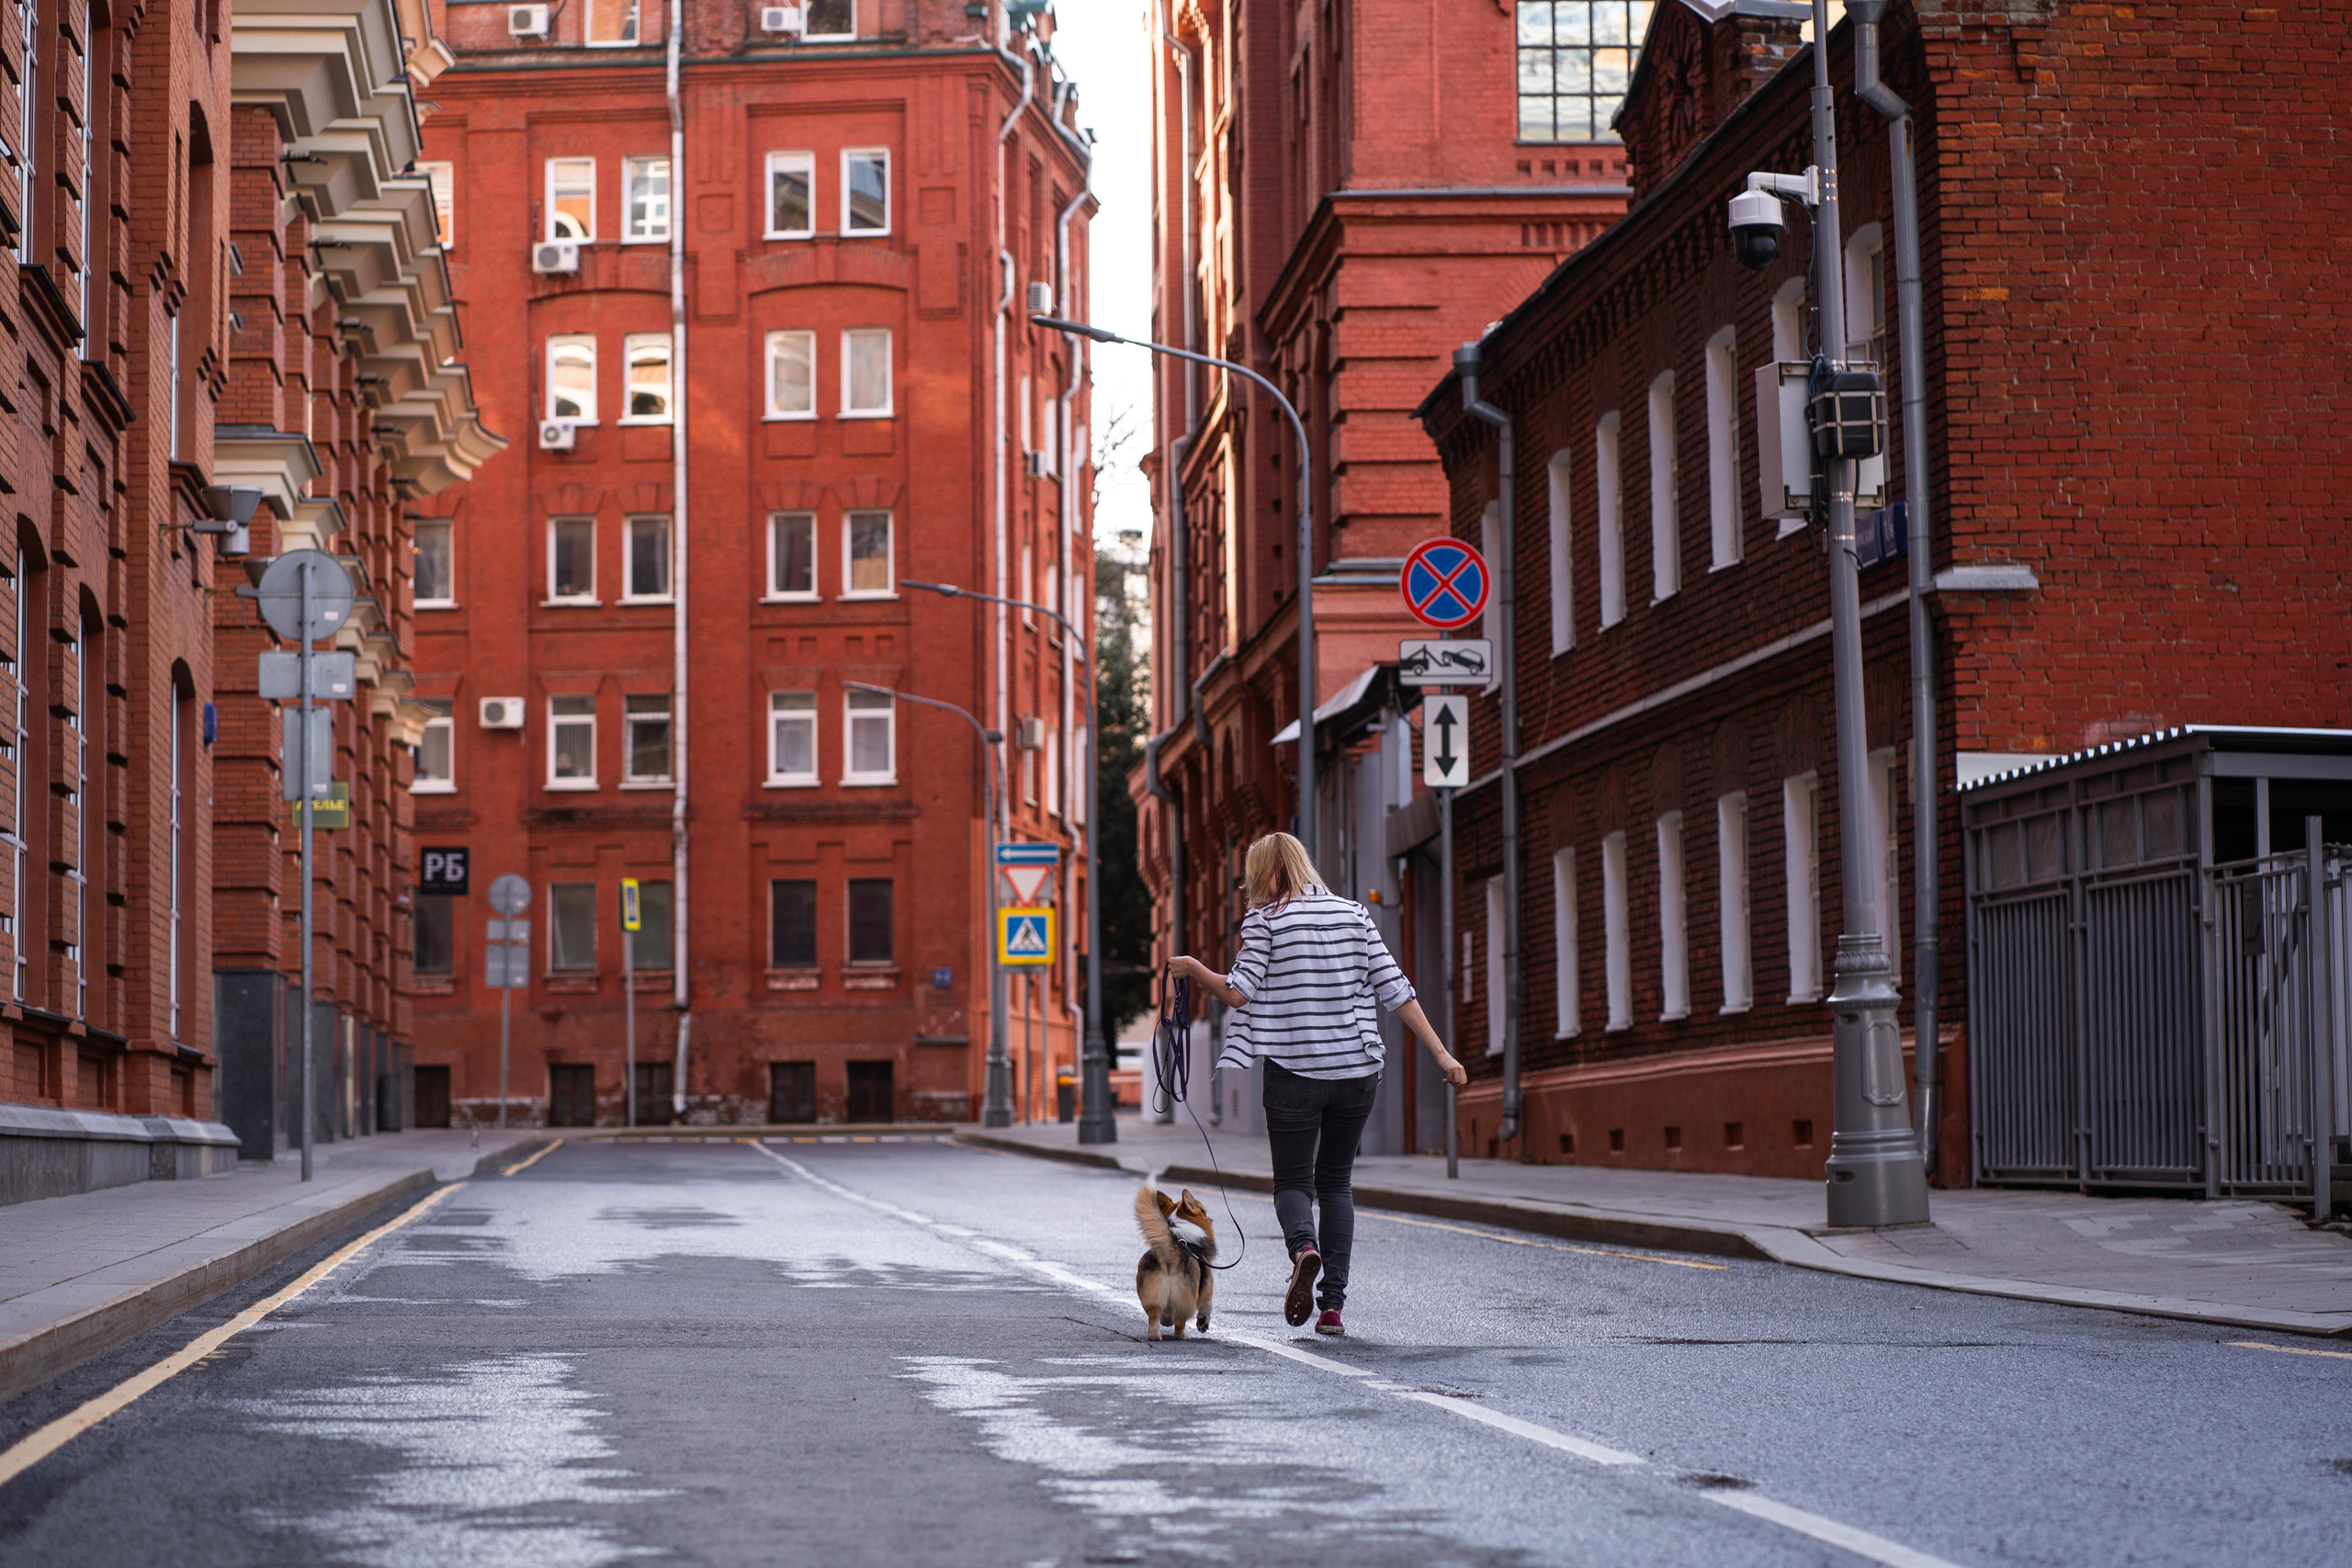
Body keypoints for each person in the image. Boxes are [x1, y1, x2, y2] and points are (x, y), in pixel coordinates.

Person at [1170, 832, 1467, 1337]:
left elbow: (1239, 993)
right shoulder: (1354, 914)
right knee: (1336, 1184)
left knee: (1292, 1183)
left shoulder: (1265, 920)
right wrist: (1442, 1052)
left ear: (1263, 872)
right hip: (1357, 1072)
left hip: (1293, 1072)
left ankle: (1303, 1250)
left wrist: (1194, 969)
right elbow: (1396, 990)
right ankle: (1332, 1308)